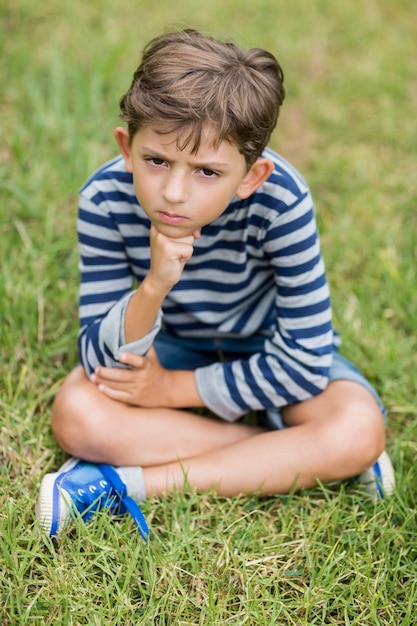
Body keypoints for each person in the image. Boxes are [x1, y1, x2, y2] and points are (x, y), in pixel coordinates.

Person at [36, 29, 395, 539]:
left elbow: (306, 359)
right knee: (76, 413)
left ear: (251, 177)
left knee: (358, 427)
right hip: (168, 344)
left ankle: (124, 485)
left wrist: (170, 391)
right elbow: (100, 356)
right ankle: (288, 449)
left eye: (207, 171)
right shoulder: (104, 200)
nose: (175, 193)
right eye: (156, 161)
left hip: (261, 348)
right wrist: (154, 287)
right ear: (126, 147)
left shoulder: (281, 202)